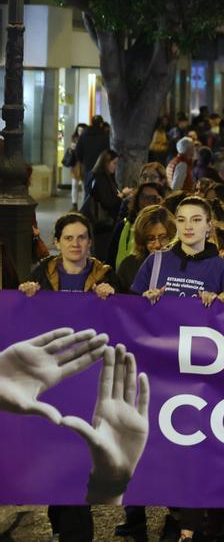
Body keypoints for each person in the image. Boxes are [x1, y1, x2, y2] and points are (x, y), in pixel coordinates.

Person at [17, 213, 119, 542]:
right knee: (56, 455)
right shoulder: (42, 276)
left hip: (90, 380)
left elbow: (132, 322)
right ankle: (64, 518)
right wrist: (25, 297)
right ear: (57, 242)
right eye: (69, 238)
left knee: (78, 457)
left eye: (82, 238)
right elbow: (24, 323)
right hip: (52, 382)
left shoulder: (105, 276)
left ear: (91, 241)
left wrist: (115, 298)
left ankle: (77, 531)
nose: (76, 244)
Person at [130, 197, 224, 310]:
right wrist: (143, 300)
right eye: (181, 220)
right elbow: (130, 310)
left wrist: (223, 302)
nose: (188, 227)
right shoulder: (155, 261)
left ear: (209, 225)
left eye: (196, 220)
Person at [113, 205, 175, 293]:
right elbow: (119, 302)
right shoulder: (128, 266)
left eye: (163, 237)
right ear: (142, 240)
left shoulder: (183, 264)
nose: (157, 245)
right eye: (151, 239)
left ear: (172, 236)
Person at [107, 181, 165, 268]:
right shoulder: (123, 226)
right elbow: (110, 259)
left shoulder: (166, 228)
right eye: (143, 197)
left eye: (152, 198)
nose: (147, 201)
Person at [83, 149, 126, 261]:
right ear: (106, 163)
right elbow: (108, 201)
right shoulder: (100, 178)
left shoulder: (105, 177)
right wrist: (122, 195)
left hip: (104, 224)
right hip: (101, 224)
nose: (115, 167)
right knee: (101, 254)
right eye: (114, 163)